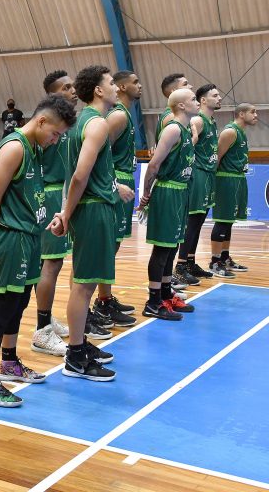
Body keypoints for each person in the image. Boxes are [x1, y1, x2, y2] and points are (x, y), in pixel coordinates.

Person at [0, 95, 76, 407]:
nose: (55, 140)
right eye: (55, 133)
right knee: (4, 305)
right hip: (13, 237)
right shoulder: (15, 147)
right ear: (41, 121)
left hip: (30, 236)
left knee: (19, 303)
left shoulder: (33, 148)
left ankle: (8, 362)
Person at [50, 65, 134, 381]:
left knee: (82, 281)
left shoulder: (80, 122)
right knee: (84, 286)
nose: (116, 87)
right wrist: (66, 213)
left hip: (92, 207)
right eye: (112, 83)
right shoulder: (97, 123)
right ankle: (75, 356)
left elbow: (87, 173)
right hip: (92, 210)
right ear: (98, 90)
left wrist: (112, 186)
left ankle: (80, 343)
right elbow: (79, 175)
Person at [139, 88, 200, 321]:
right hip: (167, 192)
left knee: (172, 247)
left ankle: (165, 295)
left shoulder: (184, 130)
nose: (197, 102)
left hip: (180, 192)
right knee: (162, 249)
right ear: (181, 105)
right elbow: (154, 165)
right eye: (193, 99)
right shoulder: (173, 129)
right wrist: (146, 194)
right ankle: (153, 302)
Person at [91, 70, 143, 327]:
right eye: (135, 82)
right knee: (106, 247)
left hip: (124, 179)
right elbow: (99, 153)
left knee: (113, 246)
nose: (140, 85)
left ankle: (105, 298)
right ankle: (99, 304)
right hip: (116, 181)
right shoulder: (118, 115)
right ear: (121, 87)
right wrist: (113, 184)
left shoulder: (126, 114)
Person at [31, 71, 77, 356]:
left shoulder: (64, 126)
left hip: (57, 192)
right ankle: (41, 330)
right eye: (67, 87)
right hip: (50, 194)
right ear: (52, 95)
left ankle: (46, 320)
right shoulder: (44, 126)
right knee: (51, 263)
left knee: (52, 264)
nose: (73, 91)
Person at [175, 85, 222, 280]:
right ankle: (180, 266)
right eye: (215, 95)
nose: (219, 98)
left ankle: (190, 262)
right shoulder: (197, 120)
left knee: (199, 221)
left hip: (208, 175)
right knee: (192, 222)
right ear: (203, 100)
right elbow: (184, 145)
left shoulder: (212, 121)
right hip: (197, 174)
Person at [209, 103, 259, 277]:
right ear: (241, 114)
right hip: (226, 179)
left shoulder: (241, 132)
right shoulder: (230, 132)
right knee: (222, 221)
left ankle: (224, 258)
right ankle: (215, 262)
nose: (256, 115)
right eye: (252, 112)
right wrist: (212, 183)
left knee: (229, 221)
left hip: (238, 178)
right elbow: (217, 158)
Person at [155, 74, 193, 143]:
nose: (191, 86)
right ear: (174, 91)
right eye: (185, 84)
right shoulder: (171, 117)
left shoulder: (182, 114)